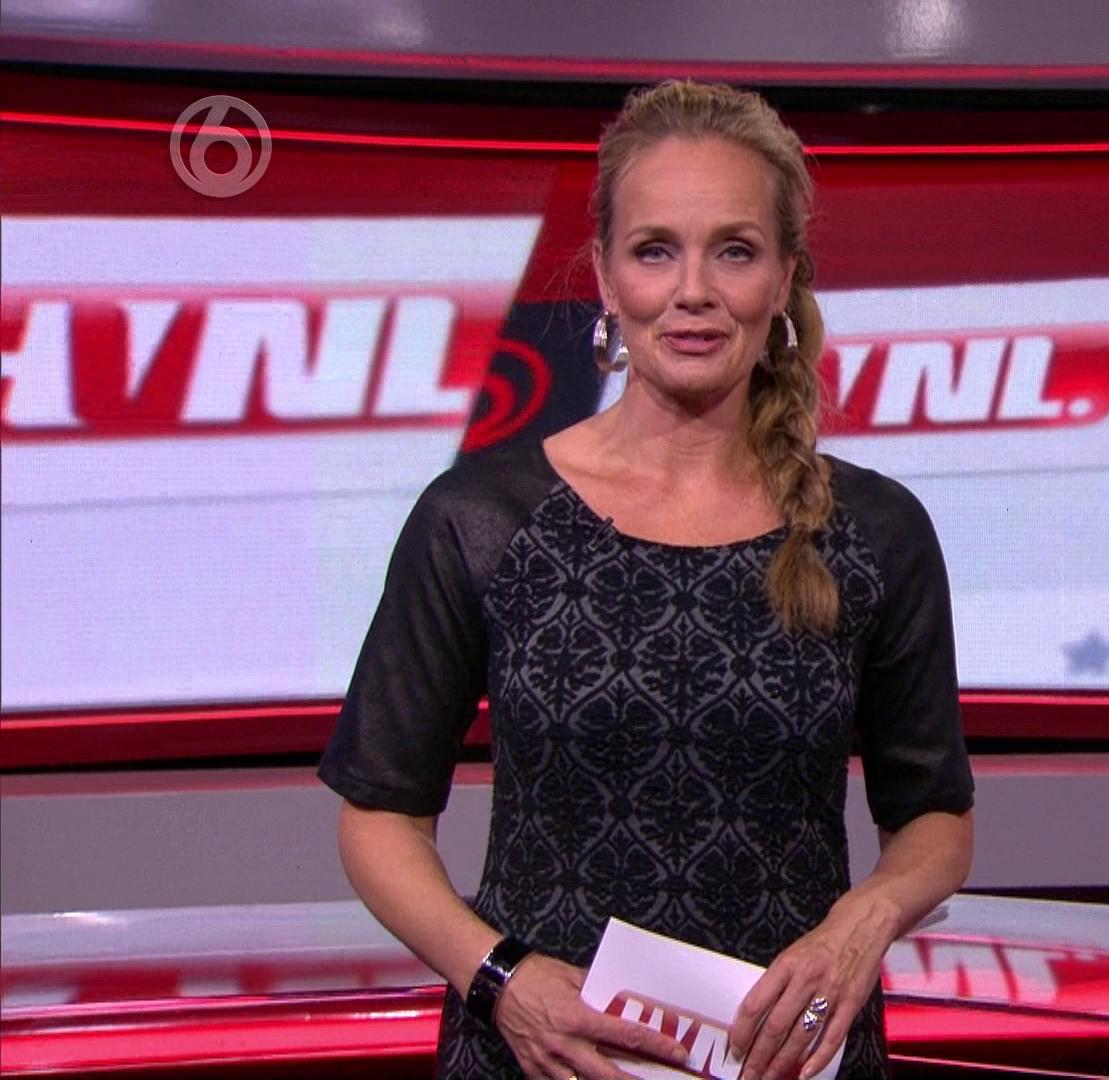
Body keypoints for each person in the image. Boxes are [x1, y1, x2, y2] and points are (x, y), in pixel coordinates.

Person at [319, 80, 975, 1080]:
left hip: (785, 1060)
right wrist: (500, 980)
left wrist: (863, 923)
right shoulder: (481, 518)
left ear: (784, 277)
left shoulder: (876, 531)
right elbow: (379, 816)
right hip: (535, 1053)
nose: (693, 290)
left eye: (735, 251)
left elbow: (934, 817)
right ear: (605, 274)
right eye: (656, 249)